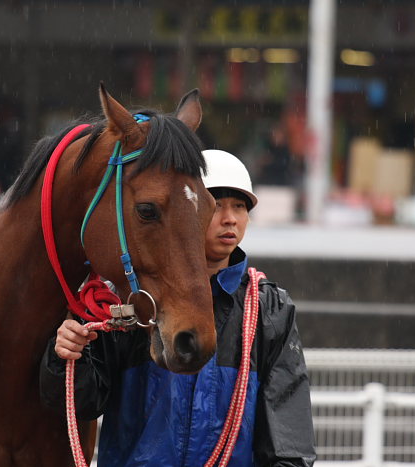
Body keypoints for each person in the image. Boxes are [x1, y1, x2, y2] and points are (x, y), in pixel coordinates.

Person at [39, 149, 316, 467]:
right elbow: (79, 403)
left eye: (239, 206)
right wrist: (65, 356)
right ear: (188, 211)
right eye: (217, 206)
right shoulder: (131, 300)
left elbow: (288, 443)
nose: (229, 218)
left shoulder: (269, 309)